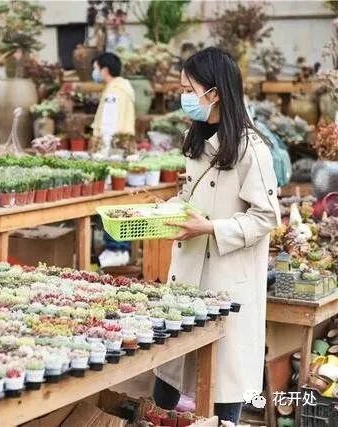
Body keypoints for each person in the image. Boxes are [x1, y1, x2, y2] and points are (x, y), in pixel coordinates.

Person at [153, 47, 280, 423]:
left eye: (188, 89)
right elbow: (192, 195)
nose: (183, 97)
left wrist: (210, 228)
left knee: (224, 387)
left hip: (227, 282)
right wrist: (164, 210)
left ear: (214, 92)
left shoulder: (250, 149)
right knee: (166, 380)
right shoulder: (196, 137)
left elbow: (266, 217)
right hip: (188, 275)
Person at [91, 52, 135, 155]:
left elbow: (109, 121)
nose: (94, 73)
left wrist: (103, 150)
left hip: (113, 147)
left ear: (105, 70)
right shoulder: (121, 87)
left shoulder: (114, 92)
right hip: (120, 142)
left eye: (96, 69)